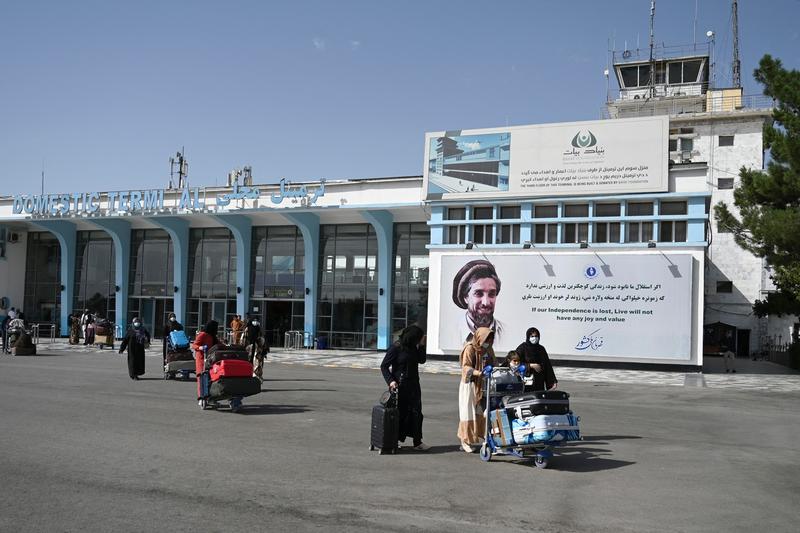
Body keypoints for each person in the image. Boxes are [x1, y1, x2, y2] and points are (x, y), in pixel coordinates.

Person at [380, 325, 429, 451]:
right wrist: (391, 381)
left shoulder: (413, 346)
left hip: (414, 385)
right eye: (418, 338)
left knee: (417, 413)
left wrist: (422, 345)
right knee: (399, 414)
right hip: (399, 386)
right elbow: (384, 366)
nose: (419, 340)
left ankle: (417, 442)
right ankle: (394, 440)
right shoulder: (396, 348)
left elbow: (422, 360)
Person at [457, 327, 496, 453]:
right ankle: (465, 440)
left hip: (483, 385)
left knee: (482, 412)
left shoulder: (488, 349)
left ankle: (484, 435)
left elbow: (494, 363)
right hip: (470, 385)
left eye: (490, 340)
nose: (488, 342)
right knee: (468, 413)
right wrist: (478, 373)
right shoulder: (470, 348)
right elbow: (465, 367)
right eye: (487, 339)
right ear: (480, 337)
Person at [451, 259, 504, 347]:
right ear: (465, 297)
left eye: (491, 294)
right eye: (478, 294)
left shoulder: (504, 332)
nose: (486, 303)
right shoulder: (454, 333)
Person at [516, 327, 558, 391]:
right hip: (527, 380)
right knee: (527, 396)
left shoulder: (541, 349)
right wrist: (530, 365)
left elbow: (547, 366)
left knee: (538, 398)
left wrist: (552, 382)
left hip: (539, 381)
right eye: (532, 336)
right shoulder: (522, 348)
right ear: (528, 337)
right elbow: (514, 363)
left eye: (536, 336)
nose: (534, 338)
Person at [192, 320, 223, 401]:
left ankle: (210, 396)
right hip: (202, 358)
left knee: (211, 378)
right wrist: (200, 348)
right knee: (201, 378)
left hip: (210, 359)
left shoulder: (213, 336)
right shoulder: (202, 334)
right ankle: (201, 397)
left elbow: (218, 344)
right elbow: (194, 345)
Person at [243, 316, 269, 381]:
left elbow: (263, 340)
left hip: (258, 350)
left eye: (256, 320)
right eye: (254, 320)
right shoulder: (248, 329)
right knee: (250, 361)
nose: (255, 322)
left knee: (257, 362)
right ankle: (250, 374)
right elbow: (244, 339)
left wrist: (265, 349)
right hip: (250, 348)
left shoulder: (259, 329)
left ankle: (256, 375)